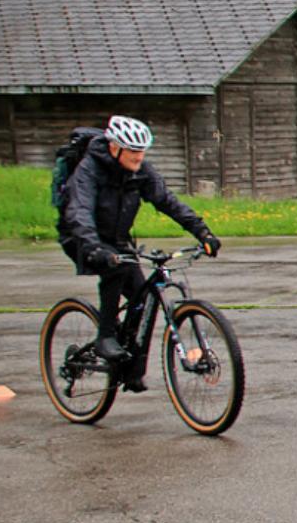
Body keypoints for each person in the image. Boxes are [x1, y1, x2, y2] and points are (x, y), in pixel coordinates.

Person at [57, 115, 221, 391]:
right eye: (133, 151)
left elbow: (168, 201)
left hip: (118, 240)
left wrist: (202, 232)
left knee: (143, 296)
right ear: (114, 148)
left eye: (142, 151)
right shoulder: (88, 171)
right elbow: (79, 212)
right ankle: (105, 336)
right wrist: (94, 247)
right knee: (116, 268)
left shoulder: (141, 171)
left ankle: (131, 369)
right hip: (81, 238)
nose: (138, 156)